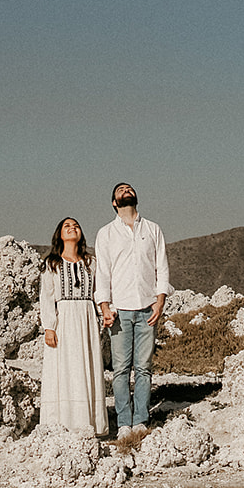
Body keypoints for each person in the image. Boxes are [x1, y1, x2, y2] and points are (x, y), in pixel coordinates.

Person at [94, 183, 171, 439]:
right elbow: (103, 273)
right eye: (120, 190)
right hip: (120, 310)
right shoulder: (106, 233)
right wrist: (104, 306)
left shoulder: (153, 229)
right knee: (121, 369)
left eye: (129, 188)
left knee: (144, 368)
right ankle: (124, 422)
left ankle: (141, 420)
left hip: (148, 307)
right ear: (114, 202)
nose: (126, 190)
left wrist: (160, 302)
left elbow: (162, 267)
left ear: (136, 197)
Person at [39, 216, 108, 436]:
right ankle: (62, 423)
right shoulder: (52, 263)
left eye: (76, 226)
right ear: (59, 234)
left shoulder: (91, 262)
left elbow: (99, 291)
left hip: (86, 318)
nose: (72, 228)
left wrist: (105, 311)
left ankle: (89, 423)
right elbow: (47, 296)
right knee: (65, 367)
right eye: (67, 226)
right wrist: (49, 326)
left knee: (87, 365)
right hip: (64, 319)